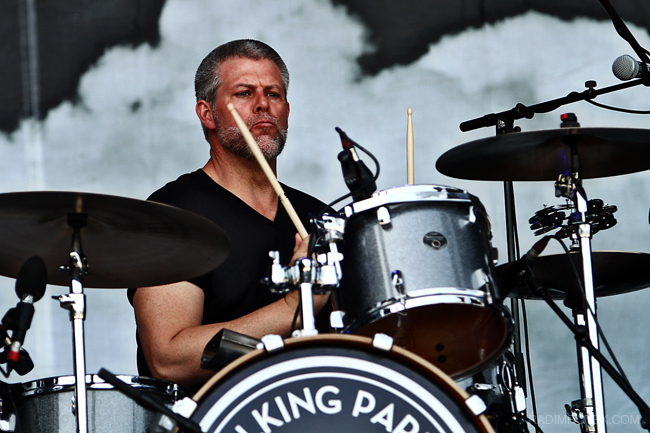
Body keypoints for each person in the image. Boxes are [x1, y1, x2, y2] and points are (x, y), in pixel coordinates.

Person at [127, 39, 331, 389]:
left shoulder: (322, 219)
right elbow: (168, 359)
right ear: (207, 114)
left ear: (286, 111)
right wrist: (295, 306)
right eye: (244, 93)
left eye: (273, 93)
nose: (262, 104)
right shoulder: (172, 215)